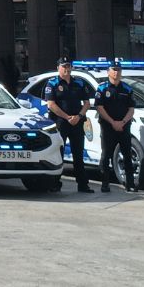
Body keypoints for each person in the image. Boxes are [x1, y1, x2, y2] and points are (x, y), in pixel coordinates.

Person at [44, 57, 94, 193]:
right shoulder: (52, 83)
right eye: (63, 66)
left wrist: (79, 116)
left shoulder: (79, 82)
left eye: (68, 66)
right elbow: (51, 105)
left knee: (78, 153)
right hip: (60, 122)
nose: (66, 69)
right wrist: (67, 117)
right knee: (58, 153)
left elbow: (87, 103)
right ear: (58, 68)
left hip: (77, 122)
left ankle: (83, 184)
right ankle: (55, 183)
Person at [94, 61, 136, 193]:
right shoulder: (102, 88)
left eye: (118, 70)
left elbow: (131, 109)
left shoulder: (127, 89)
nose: (116, 72)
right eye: (113, 70)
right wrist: (113, 122)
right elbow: (99, 108)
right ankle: (105, 184)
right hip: (108, 127)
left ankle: (130, 184)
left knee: (127, 155)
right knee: (106, 155)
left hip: (123, 127)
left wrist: (122, 122)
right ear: (108, 72)